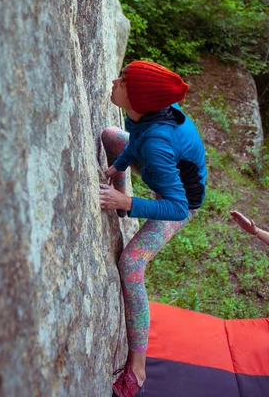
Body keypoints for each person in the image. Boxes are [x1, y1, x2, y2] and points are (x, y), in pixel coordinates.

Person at [99, 61, 207, 397]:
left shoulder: (157, 145)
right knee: (110, 136)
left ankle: (138, 369)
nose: (115, 81)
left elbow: (176, 207)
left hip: (180, 203)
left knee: (131, 265)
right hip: (162, 167)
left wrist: (125, 203)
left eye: (123, 82)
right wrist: (117, 168)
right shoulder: (152, 113)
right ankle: (122, 184)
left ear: (138, 101)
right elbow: (138, 136)